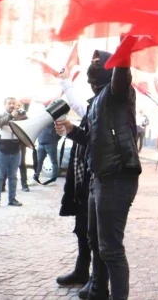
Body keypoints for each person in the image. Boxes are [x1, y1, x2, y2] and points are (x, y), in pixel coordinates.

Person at [55, 50, 141, 300]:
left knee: (111, 249)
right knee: (95, 241)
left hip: (117, 178)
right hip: (99, 177)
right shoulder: (97, 102)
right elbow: (94, 142)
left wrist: (125, 48)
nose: (92, 67)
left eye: (97, 63)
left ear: (111, 67)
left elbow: (122, 74)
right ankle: (97, 291)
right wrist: (71, 130)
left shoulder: (118, 93)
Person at [56, 68, 94, 298]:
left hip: (96, 185)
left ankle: (98, 281)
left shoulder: (102, 111)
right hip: (83, 186)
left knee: (96, 236)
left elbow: (79, 105)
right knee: (82, 231)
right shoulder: (92, 113)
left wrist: (66, 82)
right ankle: (82, 272)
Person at [0, 97, 24, 208]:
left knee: (13, 177)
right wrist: (10, 116)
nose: (12, 105)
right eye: (9, 103)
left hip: (15, 150)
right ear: (5, 104)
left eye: (14, 103)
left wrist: (23, 115)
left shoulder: (19, 116)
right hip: (1, 150)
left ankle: (12, 199)